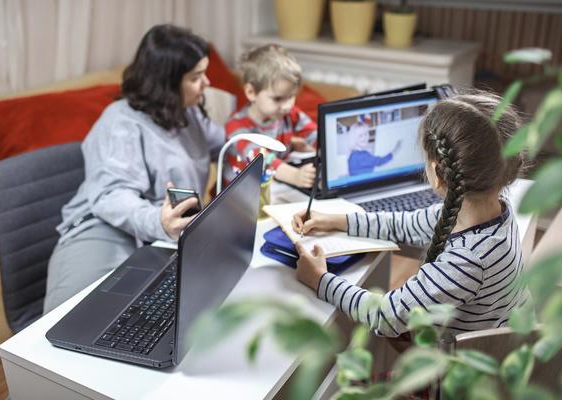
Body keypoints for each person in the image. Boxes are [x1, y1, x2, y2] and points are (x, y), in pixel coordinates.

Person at [292, 91, 528, 336]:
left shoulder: (469, 260)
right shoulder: (494, 212)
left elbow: (385, 317)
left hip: (461, 367)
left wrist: (319, 279)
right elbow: (406, 224)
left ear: (437, 174)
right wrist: (337, 220)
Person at [43, 25, 224, 313]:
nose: (207, 83)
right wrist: (160, 222)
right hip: (104, 229)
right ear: (167, 82)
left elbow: (225, 145)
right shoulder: (120, 124)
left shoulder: (186, 113)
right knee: (80, 320)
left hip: (159, 236)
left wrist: (268, 134)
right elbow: (111, 197)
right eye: (196, 77)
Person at [224, 44, 317, 188]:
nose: (287, 105)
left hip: (274, 189)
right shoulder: (236, 127)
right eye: (278, 99)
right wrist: (295, 176)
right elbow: (261, 160)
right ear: (251, 92)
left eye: (291, 96)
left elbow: (317, 136)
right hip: (238, 199)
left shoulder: (290, 114)